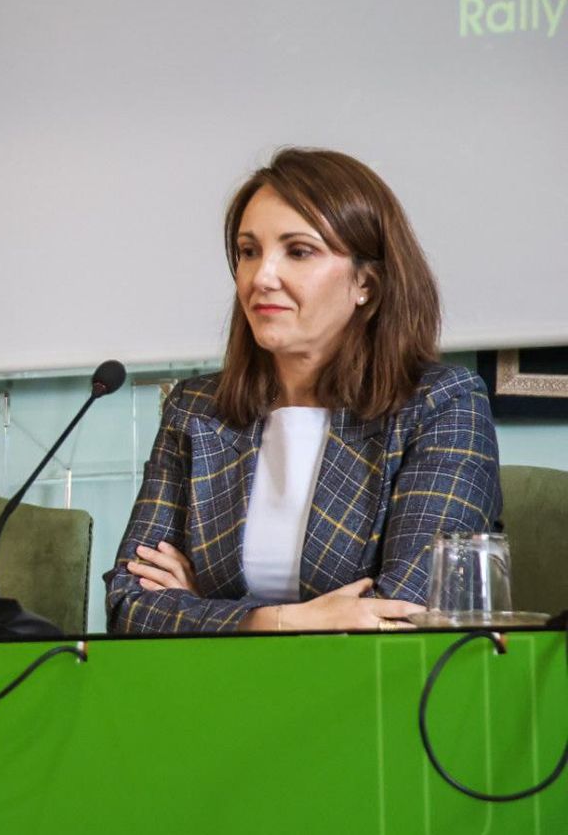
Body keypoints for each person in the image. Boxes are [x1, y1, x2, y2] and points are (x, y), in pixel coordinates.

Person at [105, 148, 501, 634]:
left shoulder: (441, 403)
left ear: (367, 285)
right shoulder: (195, 409)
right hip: (215, 692)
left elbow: (407, 609)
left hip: (375, 695)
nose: (261, 277)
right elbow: (129, 607)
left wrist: (201, 607)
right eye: (249, 252)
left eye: (298, 251)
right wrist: (277, 620)